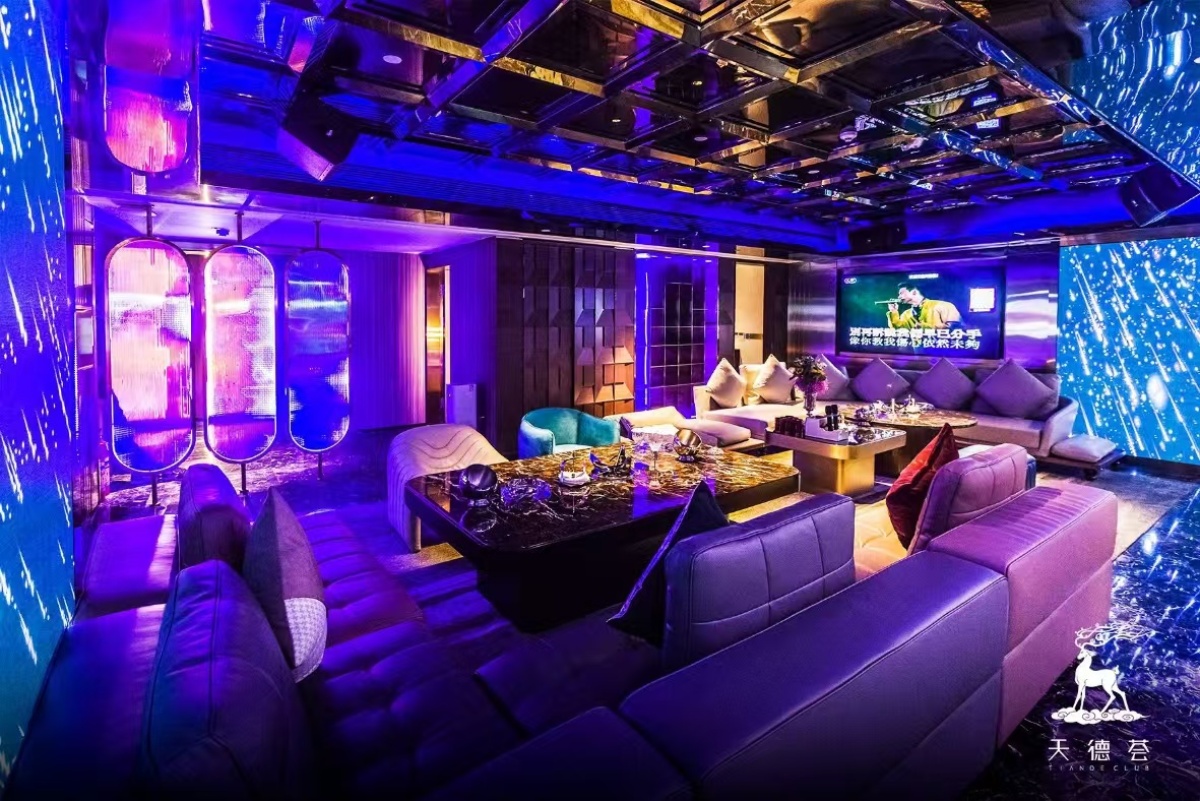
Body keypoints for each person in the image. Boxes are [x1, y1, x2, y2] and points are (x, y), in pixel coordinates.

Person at [886, 282, 962, 329]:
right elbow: (898, 331)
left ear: (914, 292)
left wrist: (926, 328)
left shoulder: (943, 306)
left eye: (901, 293)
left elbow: (956, 328)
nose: (899, 297)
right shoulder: (906, 314)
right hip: (918, 351)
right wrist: (893, 311)